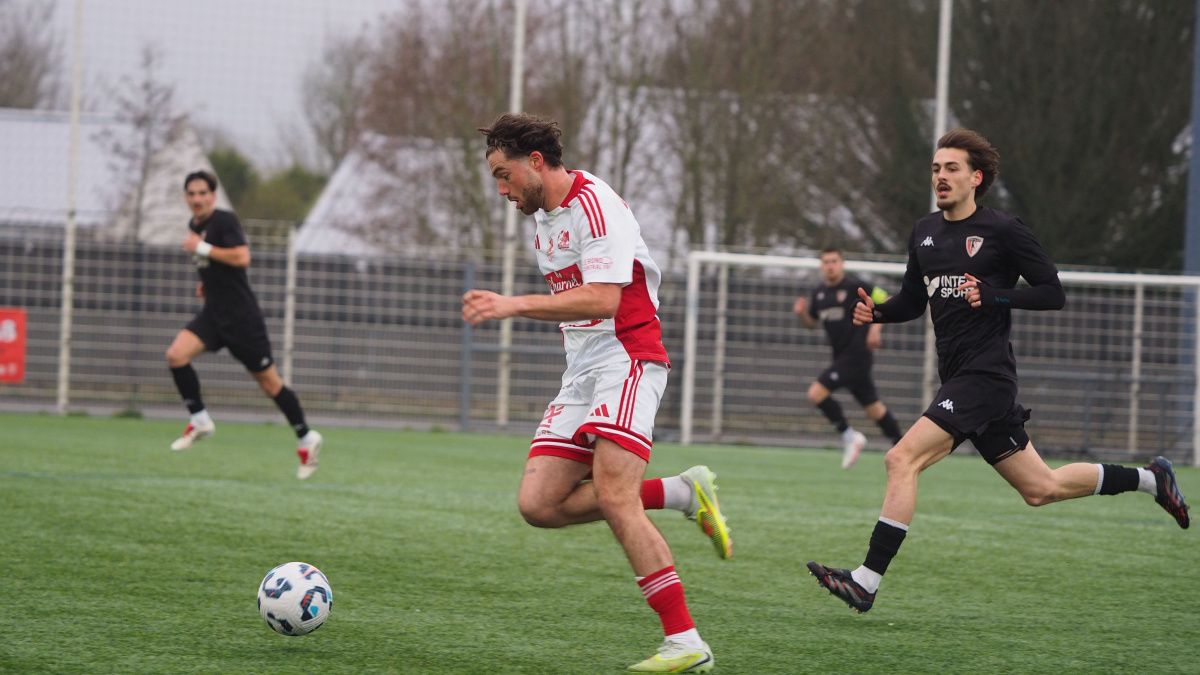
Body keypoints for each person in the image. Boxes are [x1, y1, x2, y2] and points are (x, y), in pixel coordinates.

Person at [807, 128, 1189, 613]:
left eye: (951, 168)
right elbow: (913, 300)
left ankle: (866, 582)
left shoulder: (1003, 230)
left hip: (985, 377)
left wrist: (995, 296)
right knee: (1041, 488)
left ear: (976, 178)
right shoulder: (923, 232)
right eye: (936, 168)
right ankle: (1152, 479)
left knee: (901, 459)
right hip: (962, 379)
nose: (941, 176)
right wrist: (877, 313)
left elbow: (1053, 292)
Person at [467, 113, 729, 673]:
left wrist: (512, 304)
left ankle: (687, 643)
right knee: (539, 505)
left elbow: (605, 298)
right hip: (582, 373)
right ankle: (682, 492)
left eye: (504, 175)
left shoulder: (596, 204)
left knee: (614, 495)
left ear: (536, 162)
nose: (502, 190)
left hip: (628, 359)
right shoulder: (544, 220)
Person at [165, 171, 323, 480]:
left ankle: (306, 439)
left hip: (242, 319)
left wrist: (203, 249)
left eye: (203, 193)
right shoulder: (195, 226)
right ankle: (200, 420)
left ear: (213, 196)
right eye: (191, 193)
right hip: (214, 315)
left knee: (271, 385)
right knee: (176, 355)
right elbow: (216, 266)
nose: (197, 199)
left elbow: (241, 257)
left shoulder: (224, 221)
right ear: (185, 197)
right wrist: (207, 284)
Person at [794, 247, 903, 469]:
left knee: (815, 393)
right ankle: (903, 449)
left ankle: (849, 436)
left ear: (842, 263)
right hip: (841, 356)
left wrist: (875, 328)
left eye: (834, 261)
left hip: (857, 354)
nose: (830, 266)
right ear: (821, 266)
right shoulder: (819, 293)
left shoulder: (855, 286)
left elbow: (887, 298)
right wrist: (801, 314)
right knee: (874, 410)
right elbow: (812, 323)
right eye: (826, 262)